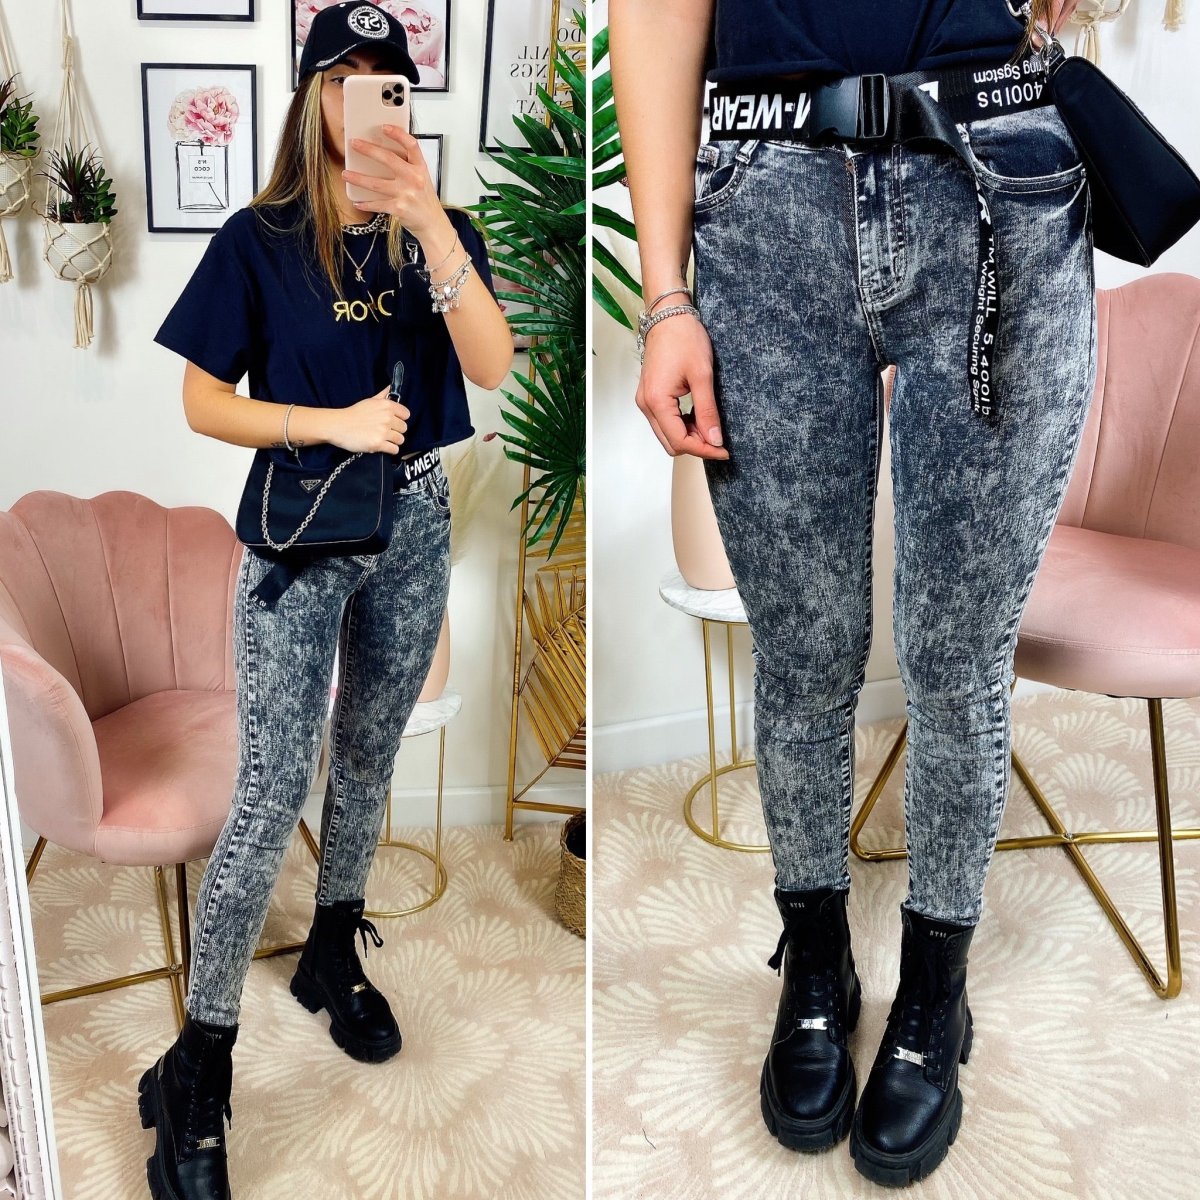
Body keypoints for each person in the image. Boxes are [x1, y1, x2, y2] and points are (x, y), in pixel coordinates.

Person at [610, 0, 1088, 1187]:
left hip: (998, 177)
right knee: (805, 653)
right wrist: (666, 297)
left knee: (959, 659)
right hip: (766, 199)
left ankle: (936, 988)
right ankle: (816, 961)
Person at [136, 4, 513, 1197]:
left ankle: (331, 953)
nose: (366, 97)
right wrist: (330, 423)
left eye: (386, 79)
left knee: (368, 758)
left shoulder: (439, 232)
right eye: (342, 78)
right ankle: (199, 1068)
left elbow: (493, 363)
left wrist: (430, 225)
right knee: (268, 792)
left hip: (415, 521)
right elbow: (203, 402)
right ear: (310, 100)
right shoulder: (259, 239)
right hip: (300, 533)